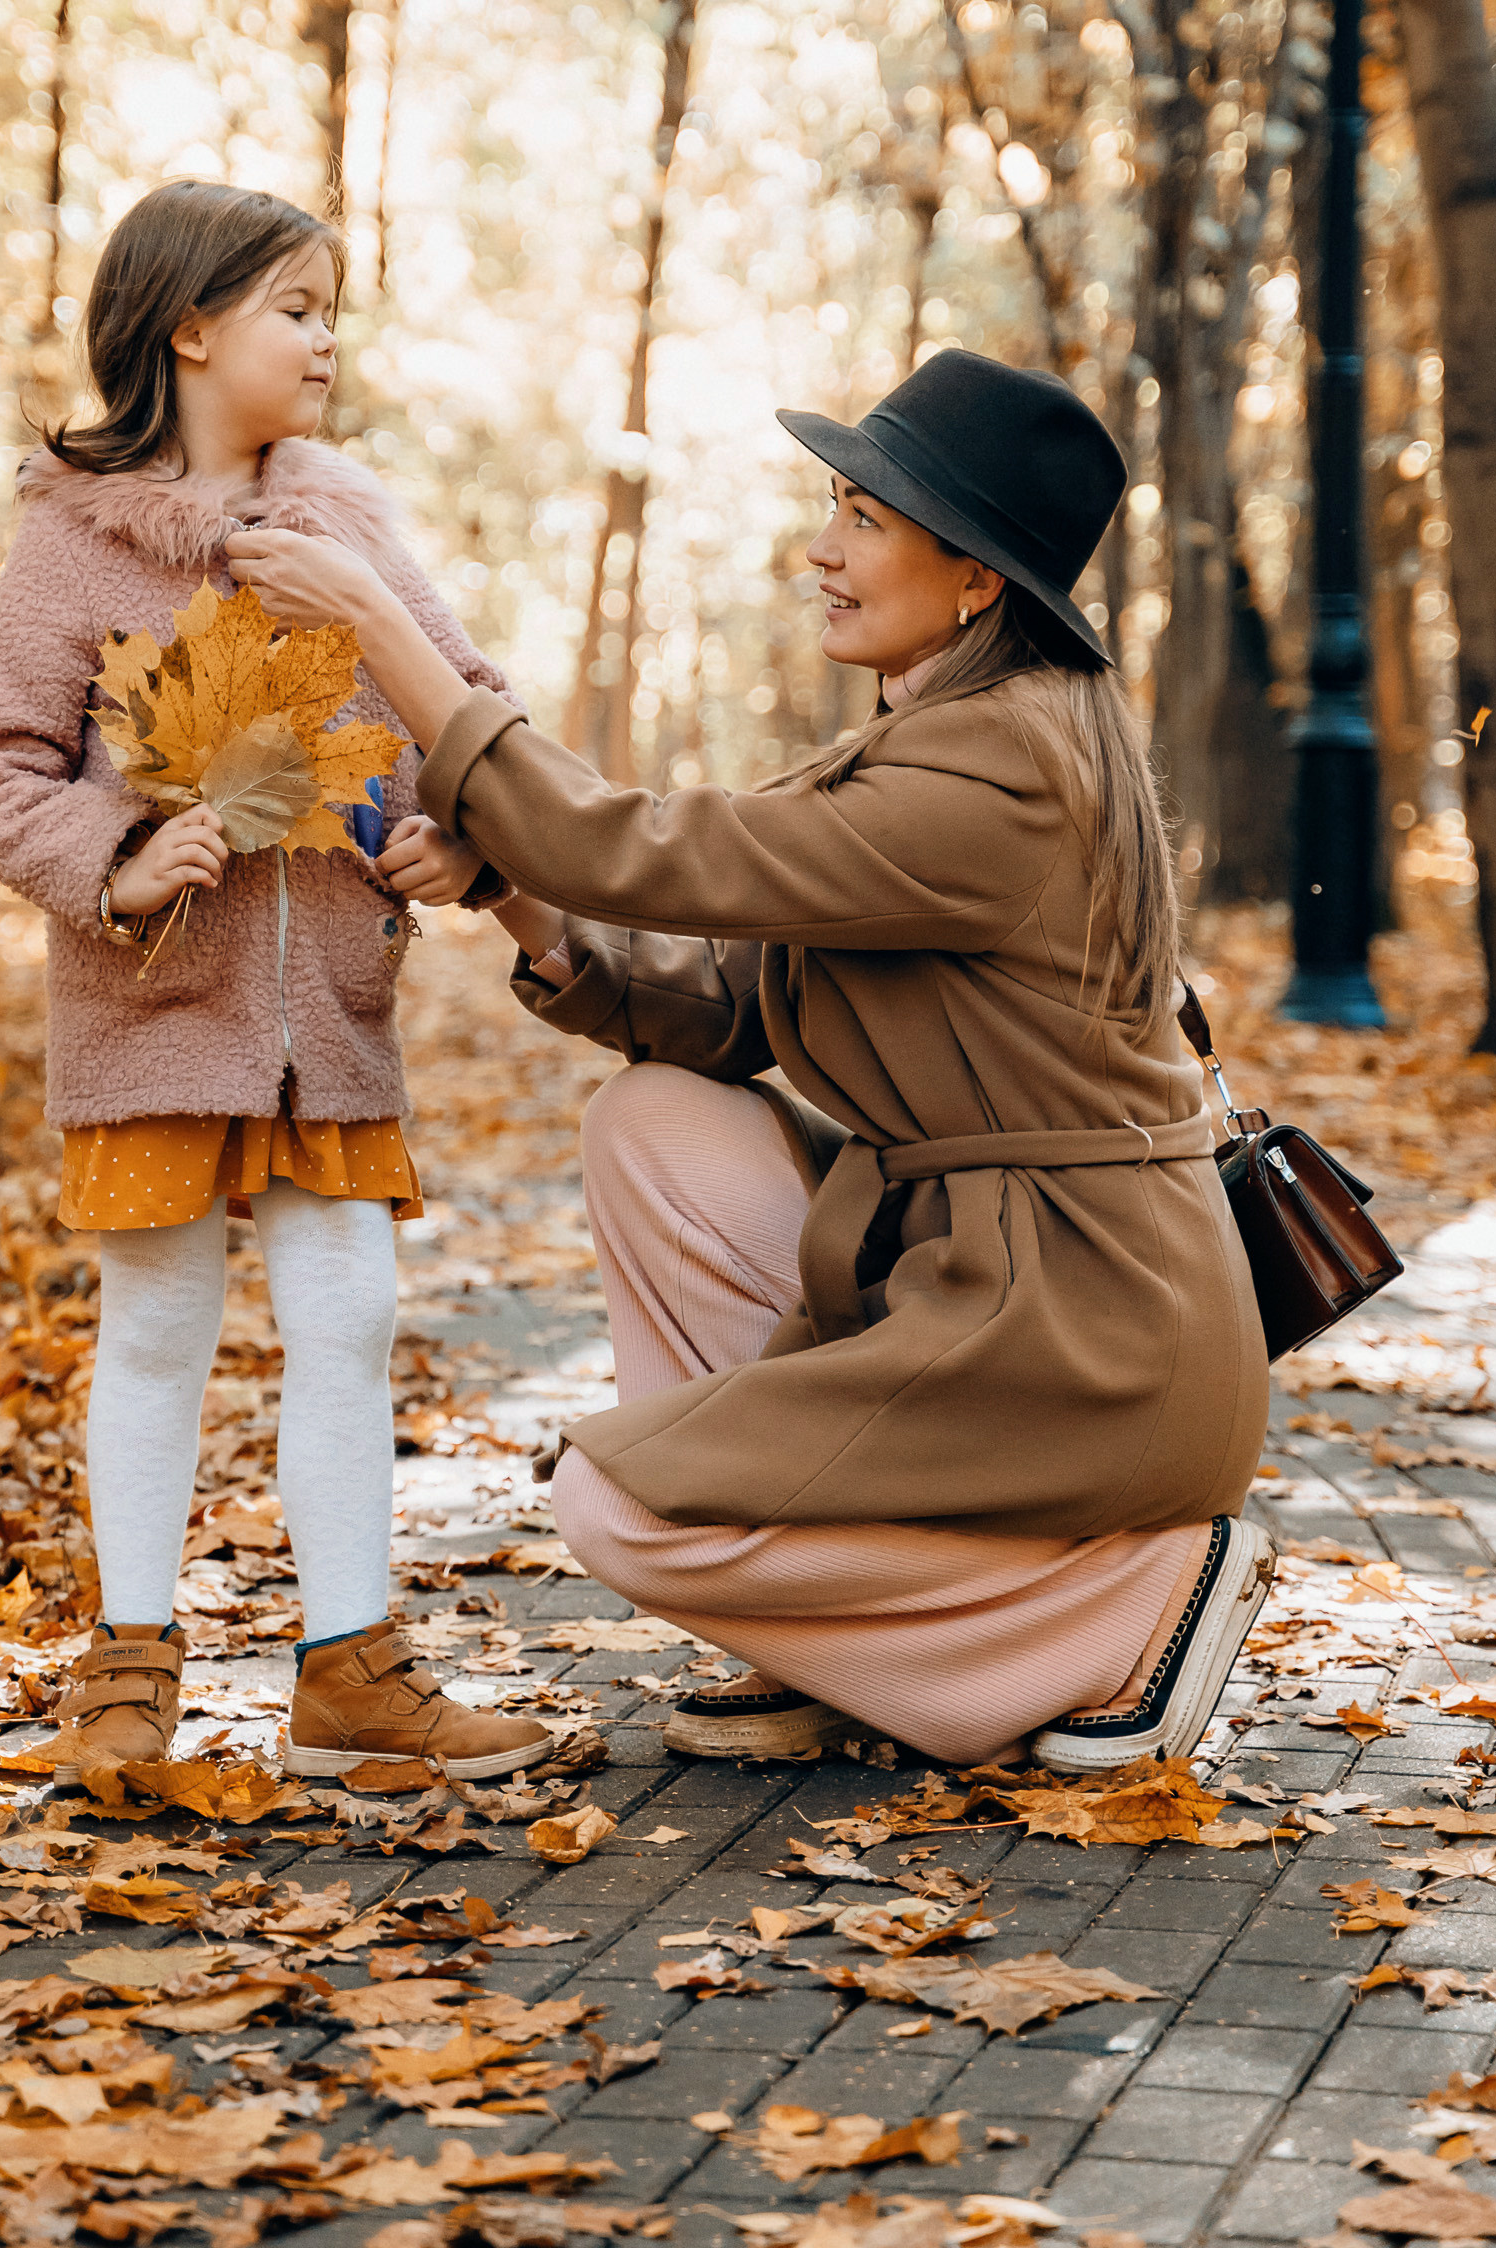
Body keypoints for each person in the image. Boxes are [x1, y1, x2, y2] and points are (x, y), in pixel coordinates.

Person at [236, 349, 1275, 1771]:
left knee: (615, 1509)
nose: (820, 548)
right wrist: (509, 894)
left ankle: (1130, 1602)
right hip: (992, 1284)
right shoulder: (942, 732)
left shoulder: (1003, 768)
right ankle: (812, 1653)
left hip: (1086, 1338)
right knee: (656, 1120)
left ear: (976, 578)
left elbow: (642, 846)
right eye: (833, 507)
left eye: (862, 517)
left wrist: (379, 628)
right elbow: (721, 1008)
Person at [0, 178, 553, 1779]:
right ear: (189, 328)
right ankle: (129, 1665)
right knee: (155, 1324)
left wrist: (458, 847)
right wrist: (115, 860)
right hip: (149, 1013)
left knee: (348, 1314)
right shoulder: (73, 549)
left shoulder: (349, 531)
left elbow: (458, 710)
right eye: (296, 305)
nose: (327, 334)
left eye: (333, 305)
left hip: (328, 1022)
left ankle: (350, 1664)